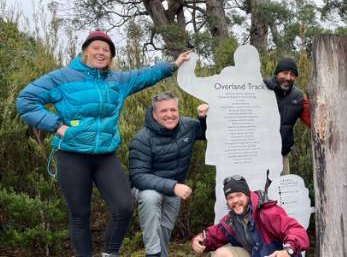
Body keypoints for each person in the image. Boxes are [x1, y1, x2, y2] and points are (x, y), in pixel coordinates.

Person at [15, 30, 191, 257]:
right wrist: (57, 126)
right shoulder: (62, 77)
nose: (101, 52)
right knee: (80, 215)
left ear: (110, 56)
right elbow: (26, 101)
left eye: (106, 50)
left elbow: (146, 75)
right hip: (71, 155)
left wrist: (173, 65)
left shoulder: (116, 81)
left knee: (123, 207)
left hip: (105, 156)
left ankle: (110, 253)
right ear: (85, 50)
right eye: (96, 48)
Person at [128, 92, 208, 257]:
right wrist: (173, 186)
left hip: (173, 189)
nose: (170, 115)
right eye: (164, 111)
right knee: (151, 197)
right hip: (147, 187)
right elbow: (138, 176)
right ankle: (152, 253)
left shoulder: (188, 126)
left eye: (173, 110)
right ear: (154, 114)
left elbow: (206, 133)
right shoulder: (142, 138)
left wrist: (203, 118)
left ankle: (160, 254)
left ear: (178, 111)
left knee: (165, 229)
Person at [191, 175, 309, 257]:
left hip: (279, 255)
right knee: (221, 254)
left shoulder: (266, 211)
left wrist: (288, 251)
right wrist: (200, 240)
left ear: (247, 195)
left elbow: (295, 230)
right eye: (230, 198)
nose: (235, 201)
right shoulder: (231, 221)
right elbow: (213, 235)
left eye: (239, 195)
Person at [263, 58, 311, 175]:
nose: (288, 78)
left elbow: (312, 121)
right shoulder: (261, 89)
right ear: (276, 73)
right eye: (285, 73)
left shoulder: (299, 96)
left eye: (292, 74)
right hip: (257, 156)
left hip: (281, 156)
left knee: (283, 192)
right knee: (256, 192)